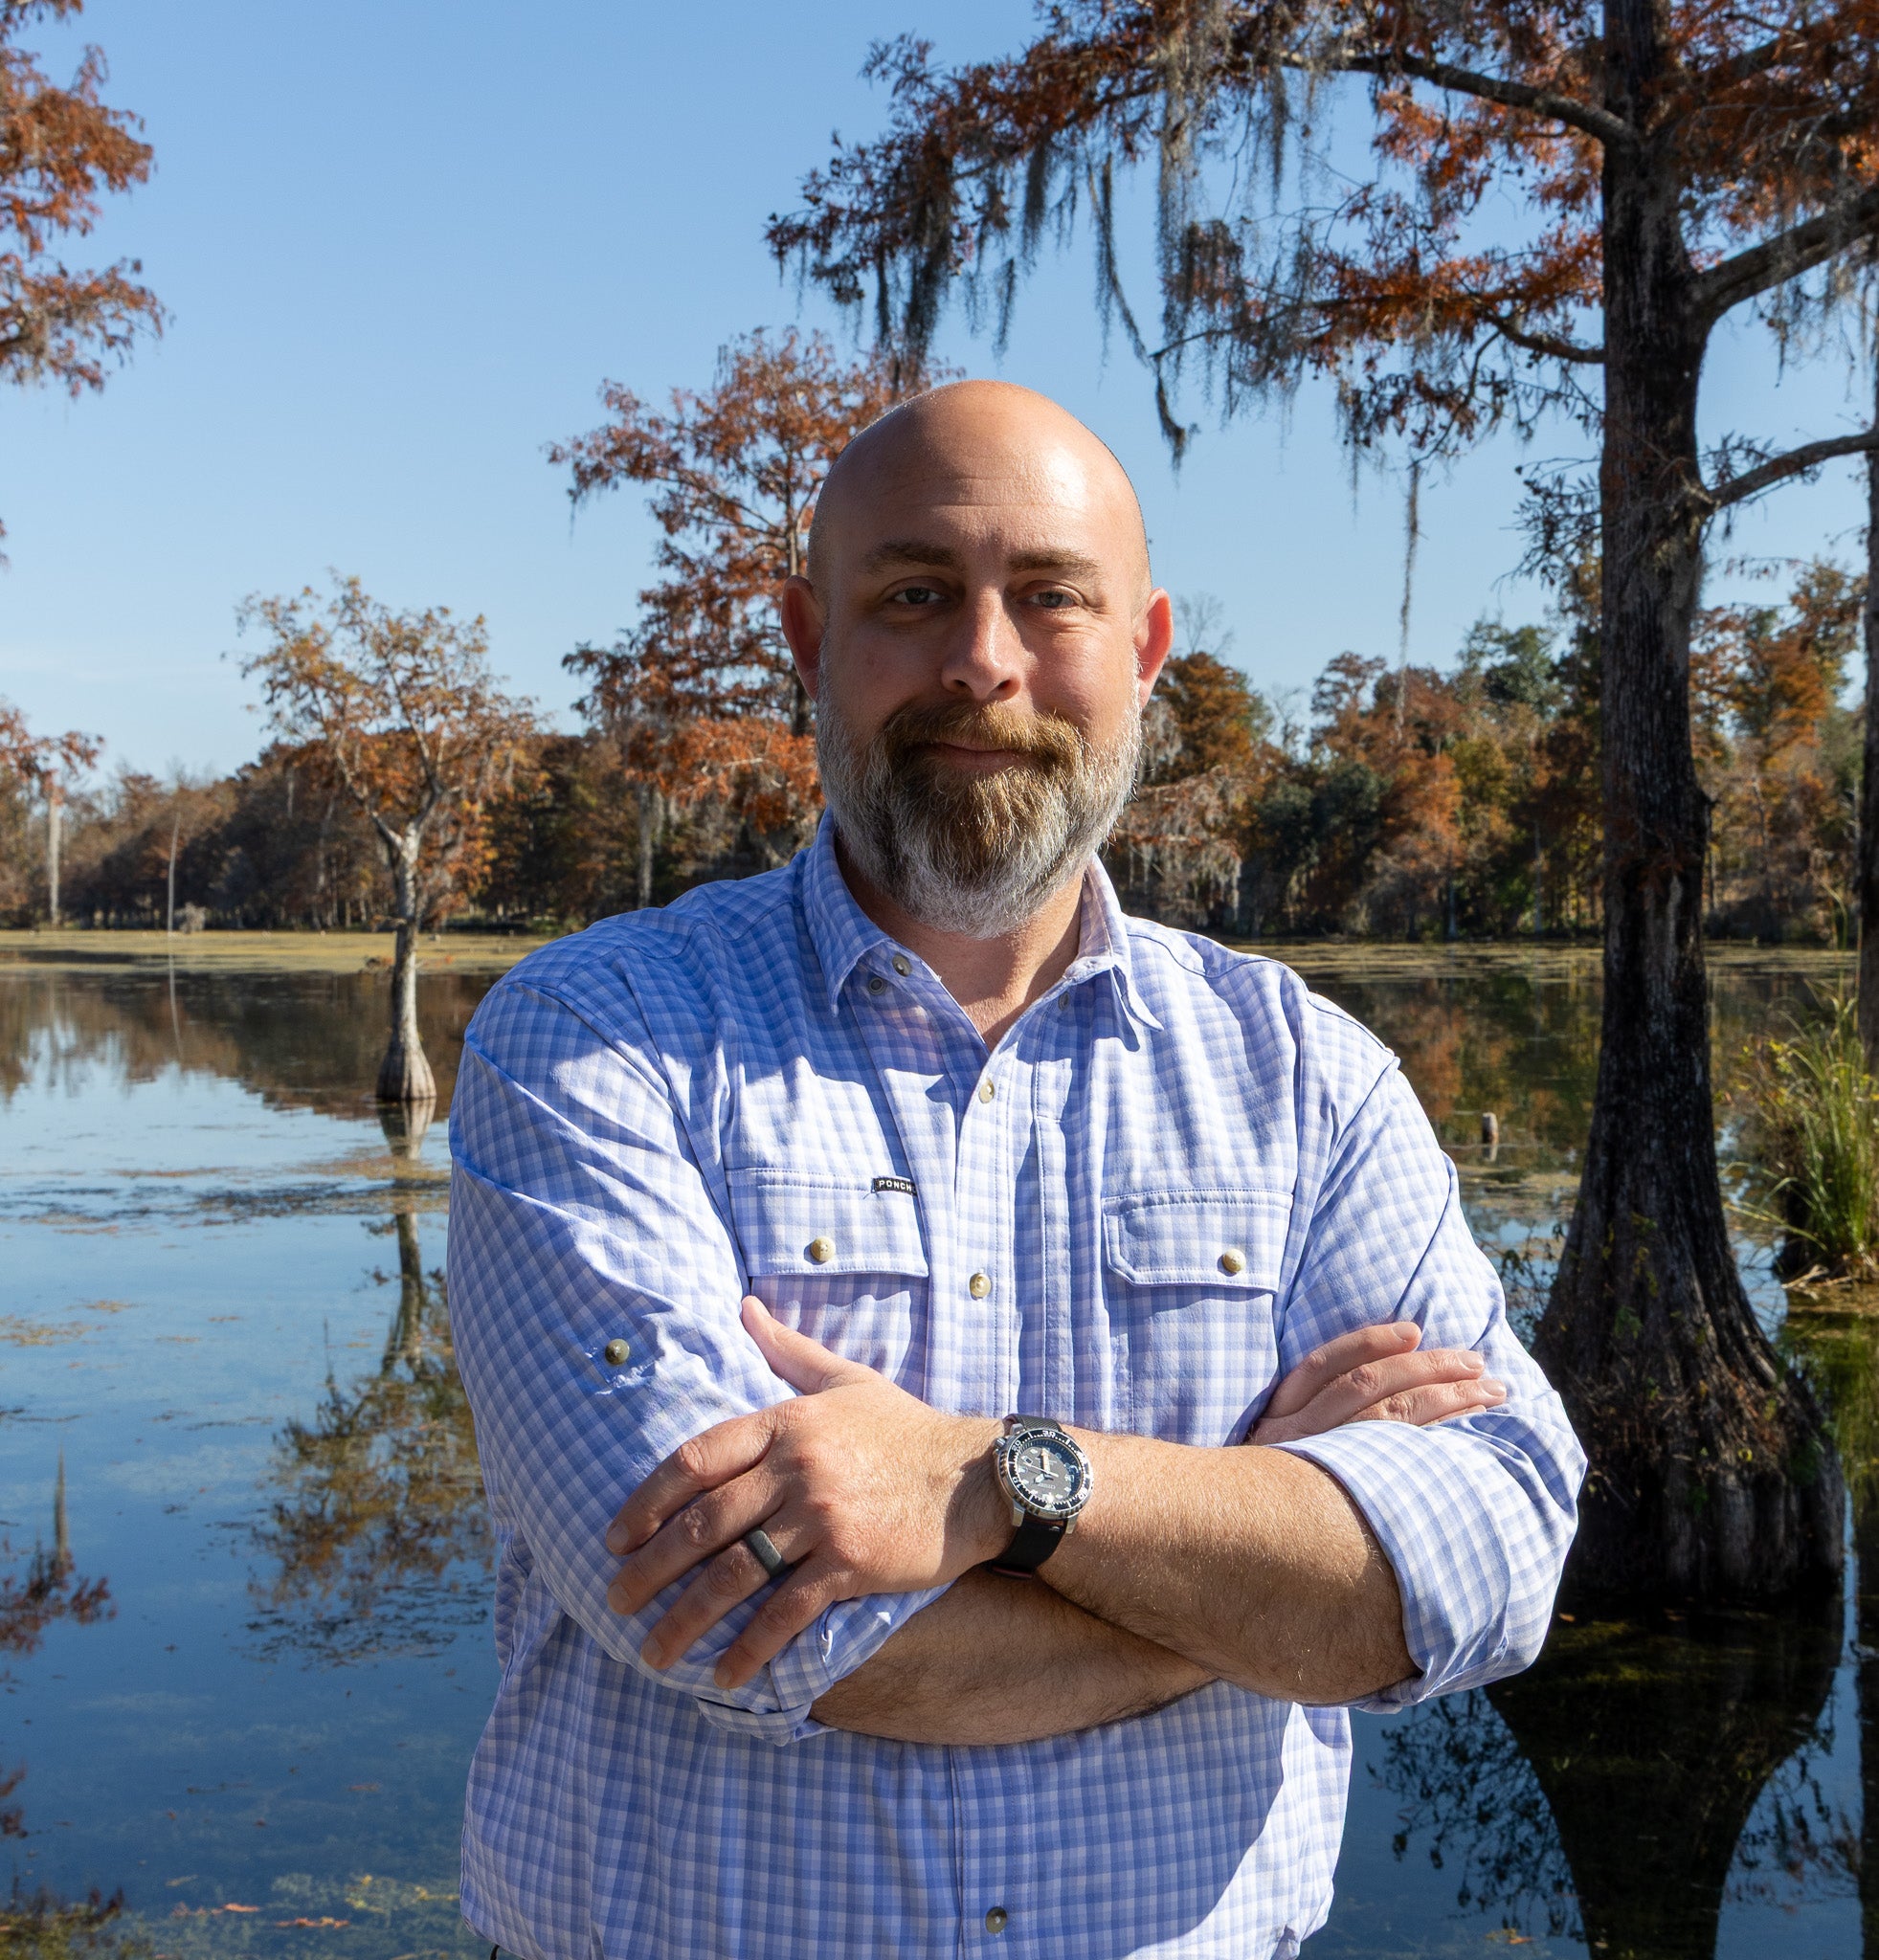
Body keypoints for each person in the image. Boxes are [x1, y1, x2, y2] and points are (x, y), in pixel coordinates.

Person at [447, 381, 1583, 1960]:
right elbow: (731, 1620)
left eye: (1051, 596)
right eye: (916, 595)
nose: (984, 658)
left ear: (1146, 648)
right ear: (809, 640)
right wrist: (1268, 1588)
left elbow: (1489, 1562)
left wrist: (998, 1482)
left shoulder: (1307, 1076)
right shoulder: (595, 1039)